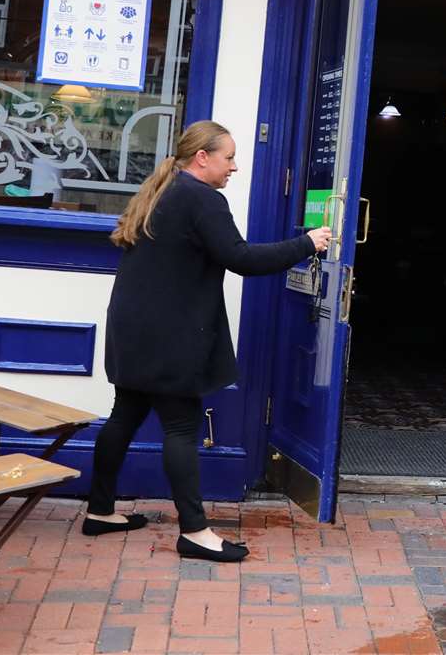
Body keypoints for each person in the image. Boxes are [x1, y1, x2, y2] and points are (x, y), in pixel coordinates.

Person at [84, 120, 330, 562]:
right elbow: (242, 259)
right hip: (170, 335)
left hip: (134, 327)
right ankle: (194, 531)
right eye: (229, 157)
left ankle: (100, 511)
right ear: (203, 158)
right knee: (181, 426)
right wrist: (306, 243)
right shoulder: (203, 199)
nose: (233, 167)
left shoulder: (163, 190)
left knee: (124, 414)